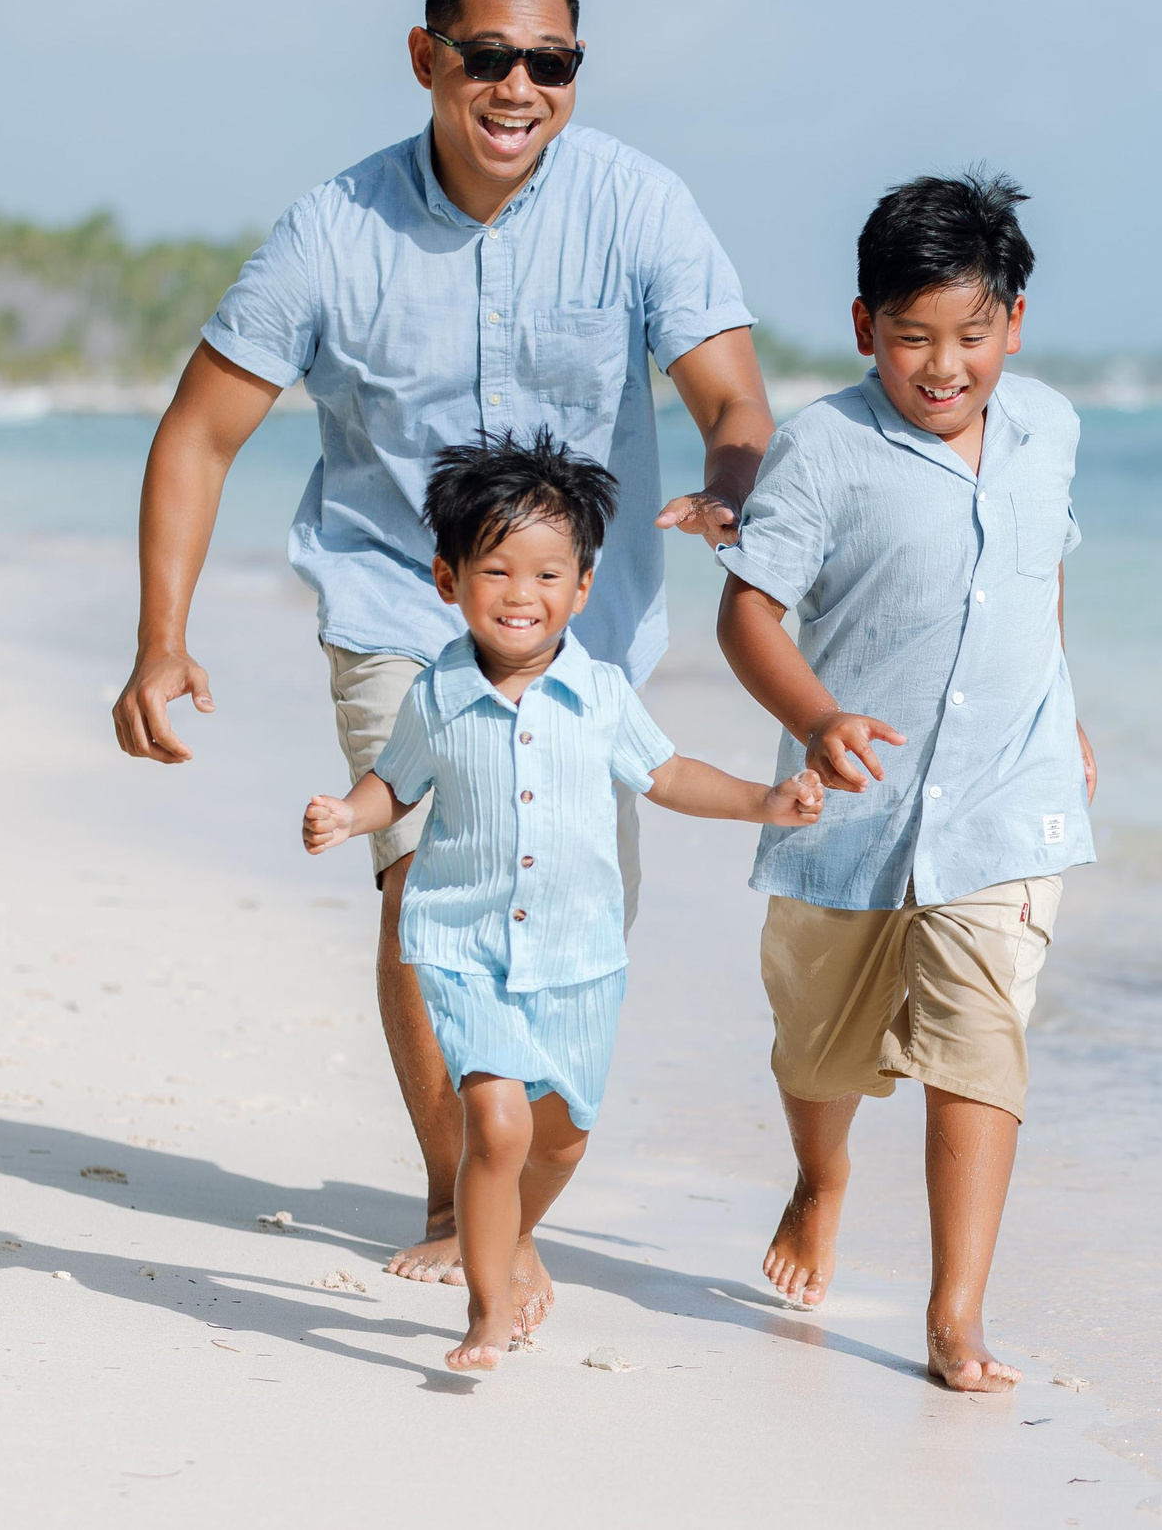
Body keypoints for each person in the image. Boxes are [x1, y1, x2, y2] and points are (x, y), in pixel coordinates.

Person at [111, 0, 776, 1284]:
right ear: (428, 59)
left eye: (552, 62)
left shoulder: (639, 206)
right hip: (394, 604)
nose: (520, 85)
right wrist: (160, 637)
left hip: (583, 632)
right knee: (432, 885)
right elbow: (196, 431)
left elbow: (734, 401)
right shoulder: (332, 229)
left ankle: (501, 1197)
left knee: (570, 918)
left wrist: (729, 486)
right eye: (489, 57)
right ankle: (455, 1206)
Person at [304, 433, 823, 1371]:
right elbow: (395, 784)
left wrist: (763, 799)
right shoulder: (437, 695)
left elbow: (666, 775)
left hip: (581, 956)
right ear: (446, 578)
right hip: (463, 944)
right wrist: (348, 815)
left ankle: (500, 1233)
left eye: (546, 573)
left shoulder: (602, 692)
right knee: (497, 1124)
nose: (519, 593)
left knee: (562, 1139)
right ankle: (486, 1307)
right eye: (494, 569)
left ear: (583, 587)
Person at [714, 172, 1096, 1392]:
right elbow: (746, 615)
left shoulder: (1049, 427)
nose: (944, 367)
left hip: (1007, 801)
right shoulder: (822, 450)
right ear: (863, 324)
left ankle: (953, 1316)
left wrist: (1066, 709)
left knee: (979, 1047)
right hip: (852, 814)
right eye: (913, 338)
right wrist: (816, 719)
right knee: (819, 1051)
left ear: (1014, 326)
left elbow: (1038, 581)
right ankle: (820, 1182)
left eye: (971, 337)